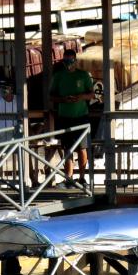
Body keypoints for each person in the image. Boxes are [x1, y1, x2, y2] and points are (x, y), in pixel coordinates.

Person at [49, 50, 95, 183]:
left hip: (81, 116)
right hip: (64, 116)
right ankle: (69, 177)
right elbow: (51, 96)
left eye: (70, 61)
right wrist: (63, 99)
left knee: (82, 148)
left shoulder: (83, 75)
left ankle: (81, 177)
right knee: (67, 148)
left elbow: (92, 94)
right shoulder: (58, 76)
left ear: (76, 61)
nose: (68, 64)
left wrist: (80, 97)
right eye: (66, 61)